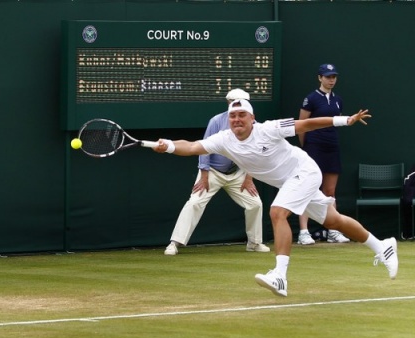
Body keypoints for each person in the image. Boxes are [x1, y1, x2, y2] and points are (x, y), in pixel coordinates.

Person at [153, 99, 398, 297]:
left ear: (252, 118)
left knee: (277, 212)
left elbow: (307, 124)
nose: (237, 119)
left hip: (304, 171)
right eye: (233, 116)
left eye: (242, 115)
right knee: (333, 221)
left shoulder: (268, 129)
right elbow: (193, 147)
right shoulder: (223, 139)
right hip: (290, 181)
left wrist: (346, 120)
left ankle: (280, 276)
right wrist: (169, 146)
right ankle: (382, 246)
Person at [164, 89, 270, 255]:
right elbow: (203, 147)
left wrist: (249, 177)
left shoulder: (255, 126)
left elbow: (255, 154)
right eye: (234, 102)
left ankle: (254, 243)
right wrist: (204, 175)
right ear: (228, 102)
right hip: (212, 171)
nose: (237, 106)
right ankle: (175, 243)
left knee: (255, 204)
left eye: (242, 103)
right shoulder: (216, 121)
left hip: (238, 173)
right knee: (195, 202)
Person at [297, 63, 350, 245]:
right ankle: (304, 232)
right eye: (327, 77)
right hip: (314, 147)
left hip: (332, 147)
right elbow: (301, 125)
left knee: (330, 191)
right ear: (320, 78)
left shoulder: (338, 100)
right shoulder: (311, 99)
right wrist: (306, 147)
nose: (331, 80)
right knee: (308, 188)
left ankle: (332, 231)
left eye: (333, 76)